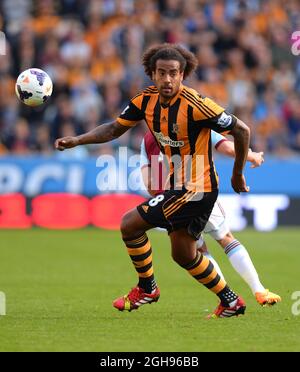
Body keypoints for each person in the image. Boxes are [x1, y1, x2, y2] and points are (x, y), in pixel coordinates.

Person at [55, 43, 251, 318]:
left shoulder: (197, 104)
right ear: (152, 74)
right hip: (179, 187)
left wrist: (237, 172)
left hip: (197, 188)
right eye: (161, 73)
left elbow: (241, 130)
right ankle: (231, 301)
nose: (167, 79)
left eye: (173, 73)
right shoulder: (144, 101)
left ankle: (147, 288)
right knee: (183, 255)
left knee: (130, 224)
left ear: (182, 74)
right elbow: (113, 129)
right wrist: (78, 140)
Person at [140, 130, 281, 307]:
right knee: (225, 238)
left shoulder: (147, 140)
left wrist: (168, 195)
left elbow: (150, 185)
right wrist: (251, 156)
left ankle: (229, 298)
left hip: (173, 203)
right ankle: (258, 289)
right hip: (200, 189)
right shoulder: (193, 118)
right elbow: (227, 147)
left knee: (200, 251)